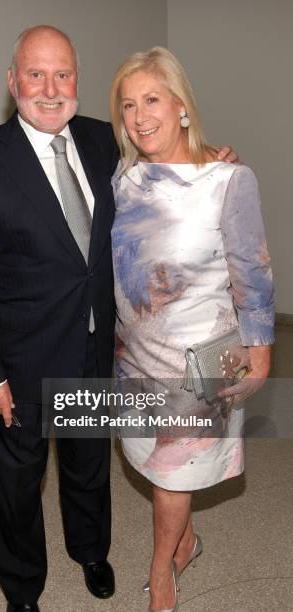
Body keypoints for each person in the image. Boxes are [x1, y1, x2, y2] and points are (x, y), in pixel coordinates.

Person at [0, 25, 238, 611]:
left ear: (78, 79)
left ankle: (91, 551)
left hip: (98, 350)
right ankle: (22, 590)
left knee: (86, 463)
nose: (50, 89)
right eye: (35, 74)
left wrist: (215, 166)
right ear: (12, 82)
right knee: (17, 485)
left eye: (64, 74)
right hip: (18, 363)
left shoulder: (107, 142)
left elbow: (168, 171)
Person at [109, 47, 274, 612]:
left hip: (202, 361)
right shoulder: (126, 179)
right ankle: (186, 545)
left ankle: (162, 572)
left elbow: (252, 271)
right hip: (135, 360)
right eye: (128, 105)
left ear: (181, 106)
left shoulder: (228, 180)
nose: (139, 115)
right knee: (153, 462)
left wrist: (261, 348)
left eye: (151, 99)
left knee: (172, 476)